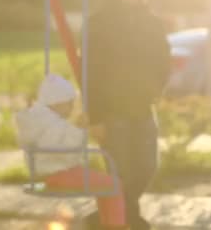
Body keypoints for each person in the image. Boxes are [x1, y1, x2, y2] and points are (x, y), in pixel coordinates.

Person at [85, 0, 171, 230]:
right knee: (120, 173)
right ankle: (127, 222)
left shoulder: (153, 23)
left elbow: (164, 60)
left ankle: (102, 218)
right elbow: (90, 72)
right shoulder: (98, 24)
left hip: (144, 108)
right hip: (112, 112)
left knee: (146, 168)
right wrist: (96, 117)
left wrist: (157, 89)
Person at [14, 74, 127, 230]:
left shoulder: (39, 122)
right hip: (61, 176)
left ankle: (107, 225)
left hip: (44, 178)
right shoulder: (51, 124)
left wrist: (76, 129)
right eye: (69, 104)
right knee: (114, 185)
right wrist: (82, 129)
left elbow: (60, 143)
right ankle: (115, 226)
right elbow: (67, 151)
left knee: (104, 187)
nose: (72, 108)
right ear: (56, 102)